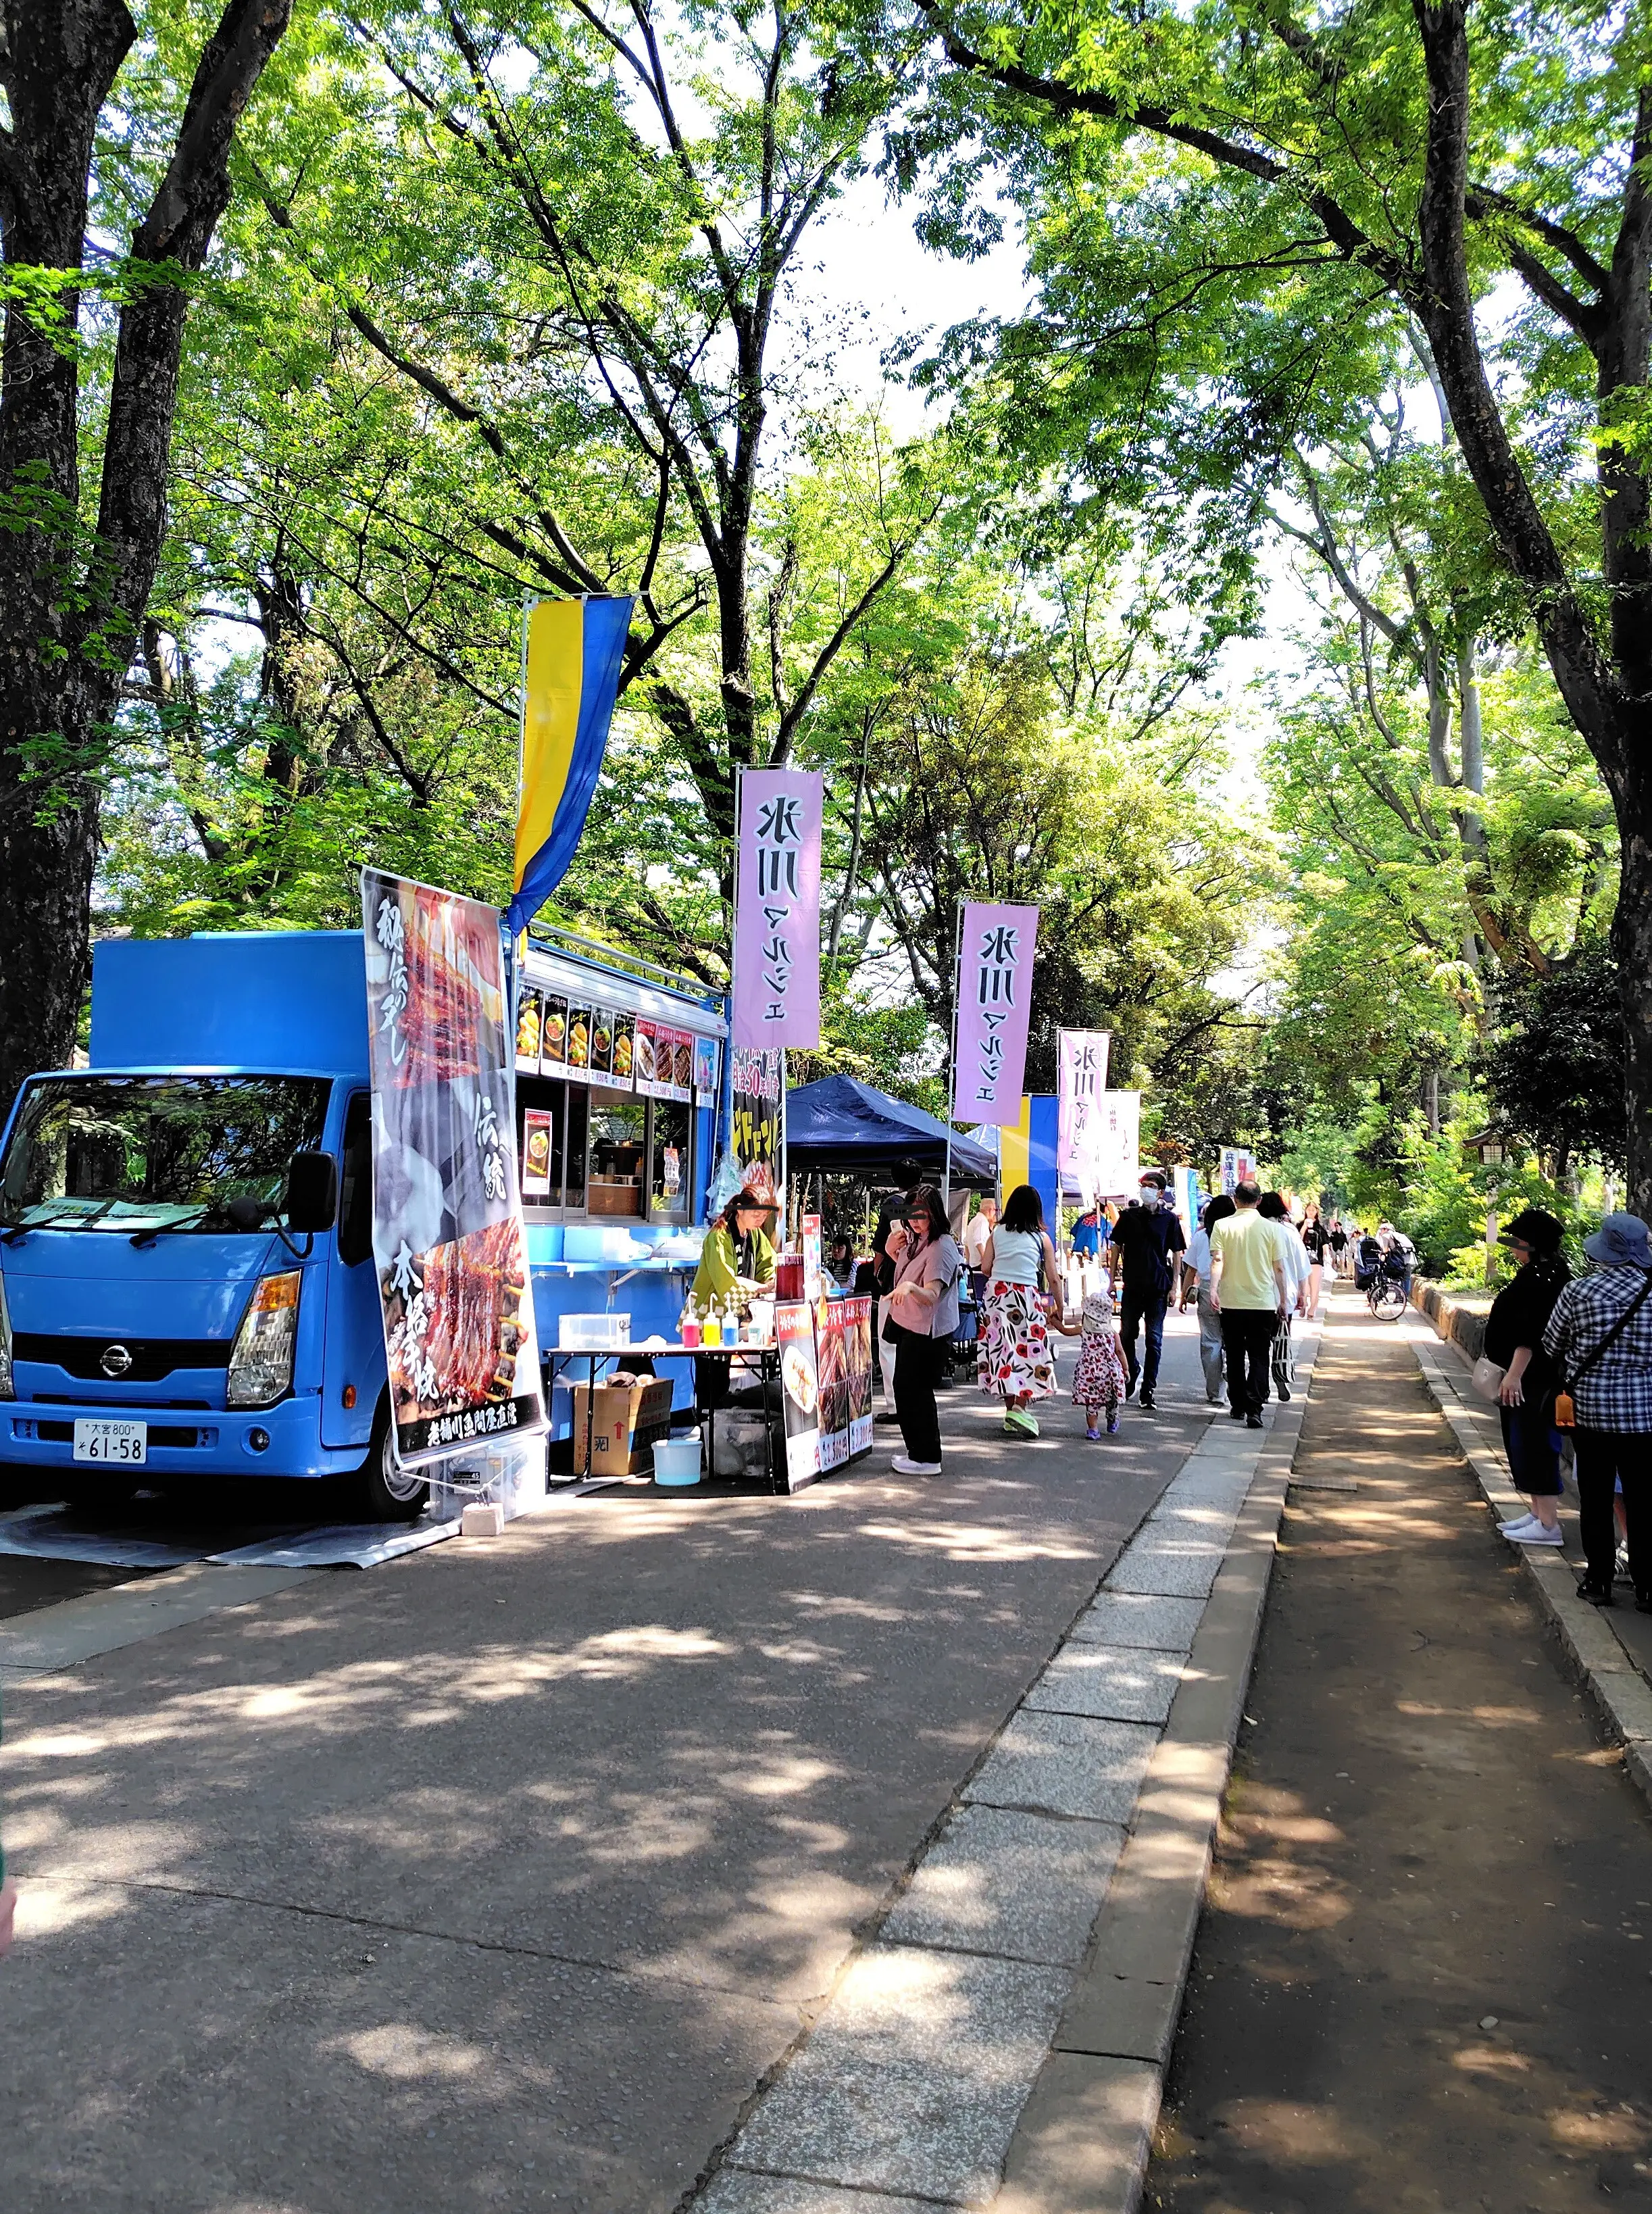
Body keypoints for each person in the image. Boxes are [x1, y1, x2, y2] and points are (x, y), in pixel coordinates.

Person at [1542, 1212, 1652, 1608]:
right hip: (1646, 1418)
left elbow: (1552, 1345)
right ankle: (1647, 1585)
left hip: (1590, 1415)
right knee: (1644, 1498)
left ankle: (1598, 1580)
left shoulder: (1578, 1292)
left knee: (1595, 1495)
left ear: (1605, 1251)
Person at [1484, 1207, 1570, 1546]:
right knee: (1522, 1443)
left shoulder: (1543, 1278)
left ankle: (1549, 1523)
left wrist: (1514, 1374)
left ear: (1531, 1245)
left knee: (1535, 1444)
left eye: (1517, 1241)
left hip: (1533, 1380)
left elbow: (1532, 1333)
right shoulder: (1540, 1273)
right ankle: (1537, 1513)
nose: (1513, 1247)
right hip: (1526, 1377)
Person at [882, 1183, 963, 1476]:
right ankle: (918, 1453)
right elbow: (907, 1271)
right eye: (912, 1214)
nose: (916, 1221)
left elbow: (931, 1294)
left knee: (914, 1391)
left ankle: (926, 1456)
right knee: (906, 1389)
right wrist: (894, 1250)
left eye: (922, 1215)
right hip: (909, 1325)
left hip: (927, 1332)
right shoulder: (915, 1240)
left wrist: (911, 1287)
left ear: (935, 1214)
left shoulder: (941, 1246)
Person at [977, 1182, 1061, 1437]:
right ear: (1036, 1210)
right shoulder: (1041, 1238)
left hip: (998, 1296)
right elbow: (1053, 1278)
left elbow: (985, 1267)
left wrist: (1002, 1273)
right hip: (1026, 1297)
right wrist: (1059, 1306)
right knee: (1027, 1352)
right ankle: (1018, 1409)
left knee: (1005, 1352)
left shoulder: (997, 1232)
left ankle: (1011, 1412)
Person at [1104, 1170, 1186, 1410]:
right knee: (1127, 1334)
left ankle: (1148, 1388)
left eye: (1150, 1185)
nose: (1145, 1189)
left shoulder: (1170, 1220)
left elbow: (1177, 1253)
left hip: (1158, 1287)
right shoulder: (1129, 1217)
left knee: (1154, 1339)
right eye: (1142, 1185)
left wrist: (1175, 1287)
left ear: (1160, 1192)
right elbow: (1117, 1247)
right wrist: (1112, 1279)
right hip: (1132, 1285)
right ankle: (1130, 1372)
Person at [1209, 1179, 1289, 1427]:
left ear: (1235, 1199)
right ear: (1259, 1200)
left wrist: (1213, 1289)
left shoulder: (1221, 1226)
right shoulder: (1273, 1229)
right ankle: (1255, 1407)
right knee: (1259, 1356)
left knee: (1233, 1354)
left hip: (1231, 1301)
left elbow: (1217, 1261)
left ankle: (1237, 1404)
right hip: (1262, 1302)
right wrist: (1283, 1300)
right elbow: (1279, 1269)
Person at [1056, 1283, 1129, 1437]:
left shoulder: (1084, 1329)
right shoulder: (1112, 1333)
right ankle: (1112, 1421)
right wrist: (1126, 1369)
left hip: (1089, 1372)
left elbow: (1065, 1331)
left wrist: (1055, 1322)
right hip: (1109, 1373)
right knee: (1112, 1400)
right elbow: (1120, 1351)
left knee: (1092, 1403)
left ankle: (1093, 1429)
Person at [1184, 1194, 1236, 1404]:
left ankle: (1215, 1392)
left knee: (1211, 1341)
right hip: (1234, 1289)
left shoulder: (1201, 1236)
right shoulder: (1236, 1235)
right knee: (1234, 1340)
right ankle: (1235, 1383)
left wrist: (1184, 1294)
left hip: (1206, 1289)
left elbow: (1190, 1269)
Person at [962, 1194, 999, 1301]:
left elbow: (967, 1245)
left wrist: (969, 1261)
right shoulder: (982, 1221)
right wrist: (986, 1260)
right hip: (980, 1266)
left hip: (974, 1265)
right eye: (995, 1210)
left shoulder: (973, 1221)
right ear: (990, 1210)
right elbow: (979, 1242)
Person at [1300, 1204, 1328, 1317]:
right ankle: (1302, 1305)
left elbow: (1325, 1243)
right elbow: (1296, 1240)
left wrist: (1327, 1255)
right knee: (1303, 1287)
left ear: (1317, 1212)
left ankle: (1312, 1311)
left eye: (1313, 1210)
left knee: (1315, 1287)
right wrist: (1304, 1227)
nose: (1311, 1212)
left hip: (1316, 1261)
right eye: (1309, 1210)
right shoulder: (1299, 1225)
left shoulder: (1320, 1228)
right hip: (1303, 1260)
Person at [1377, 1221, 1416, 1300]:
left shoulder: (1386, 1236)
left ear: (1385, 1229)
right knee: (1407, 1278)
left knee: (1394, 1277)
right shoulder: (1401, 1235)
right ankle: (1406, 1297)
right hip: (1410, 1259)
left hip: (1399, 1260)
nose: (1380, 1231)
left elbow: (1385, 1250)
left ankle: (1399, 1297)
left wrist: (1381, 1258)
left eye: (1381, 1229)